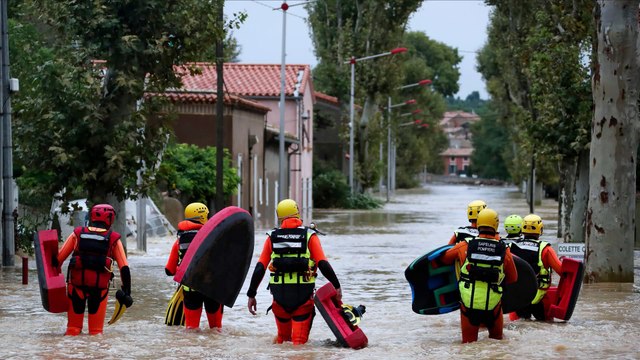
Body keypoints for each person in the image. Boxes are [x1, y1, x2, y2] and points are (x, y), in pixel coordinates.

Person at [246, 199, 342, 345]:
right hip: (302, 299)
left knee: (283, 342)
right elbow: (322, 263)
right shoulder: (309, 236)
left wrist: (251, 294)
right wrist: (336, 285)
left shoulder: (272, 237)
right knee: (299, 346)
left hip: (279, 299)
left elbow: (260, 268)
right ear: (297, 213)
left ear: (279, 216)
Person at [439, 208, 518, 343]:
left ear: (478, 224)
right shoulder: (504, 249)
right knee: (497, 346)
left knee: (468, 347)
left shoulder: (465, 245)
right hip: (493, 306)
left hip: (468, 306)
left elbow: (444, 259)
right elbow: (513, 278)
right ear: (496, 225)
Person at [56, 203, 132, 336]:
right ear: (111, 219)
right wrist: (127, 291)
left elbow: (58, 259)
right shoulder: (114, 239)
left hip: (76, 286)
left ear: (92, 216)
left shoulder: (77, 234)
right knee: (96, 333)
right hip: (99, 290)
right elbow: (124, 268)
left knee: (72, 329)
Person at [165, 202, 224, 330]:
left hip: (190, 288)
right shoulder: (215, 237)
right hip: (212, 290)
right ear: (204, 217)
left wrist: (182, 271)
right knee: (216, 330)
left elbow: (169, 270)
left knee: (191, 331)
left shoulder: (180, 240)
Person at [509, 214, 563, 321]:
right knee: (545, 326)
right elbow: (562, 271)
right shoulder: (546, 249)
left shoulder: (511, 246)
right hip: (540, 297)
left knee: (518, 325)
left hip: (517, 298)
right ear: (540, 229)